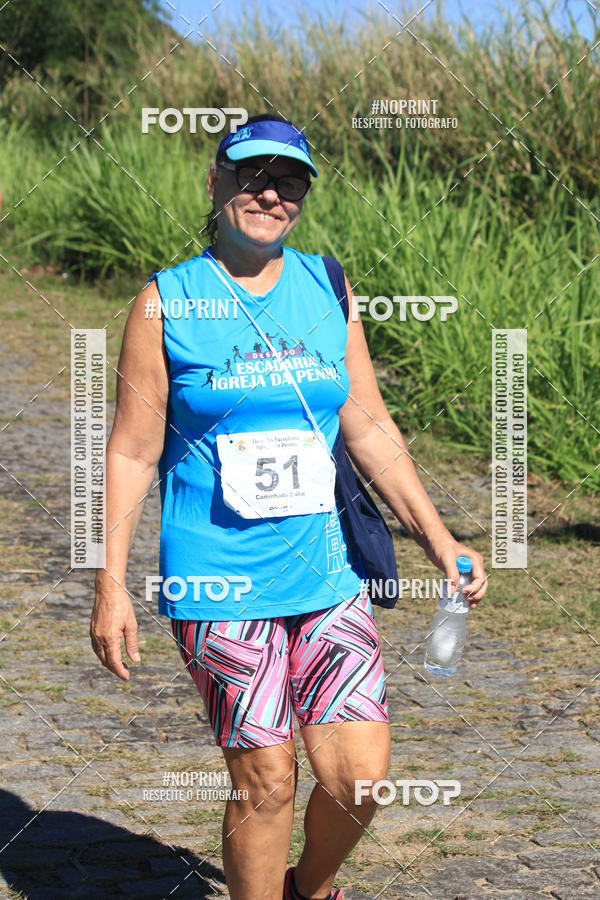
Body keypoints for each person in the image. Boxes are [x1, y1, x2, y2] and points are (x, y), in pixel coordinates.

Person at [91, 113, 488, 900]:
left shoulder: (327, 286)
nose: (269, 192)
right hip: (217, 580)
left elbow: (369, 423)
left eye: (290, 180)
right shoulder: (166, 301)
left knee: (359, 777)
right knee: (267, 778)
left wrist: (438, 538)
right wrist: (108, 580)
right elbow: (133, 452)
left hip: (324, 573)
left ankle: (308, 889)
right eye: (250, 174)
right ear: (216, 182)